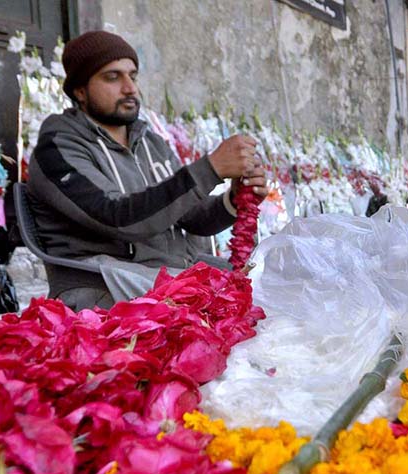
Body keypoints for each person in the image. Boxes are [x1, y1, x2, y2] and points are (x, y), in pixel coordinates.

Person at [27, 31, 268, 311]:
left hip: (165, 275)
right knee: (230, 309)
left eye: (133, 76)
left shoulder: (149, 142)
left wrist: (235, 199)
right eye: (113, 77)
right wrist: (210, 169)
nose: (130, 88)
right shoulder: (57, 147)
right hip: (101, 285)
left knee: (266, 289)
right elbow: (117, 218)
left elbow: (192, 218)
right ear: (80, 91)